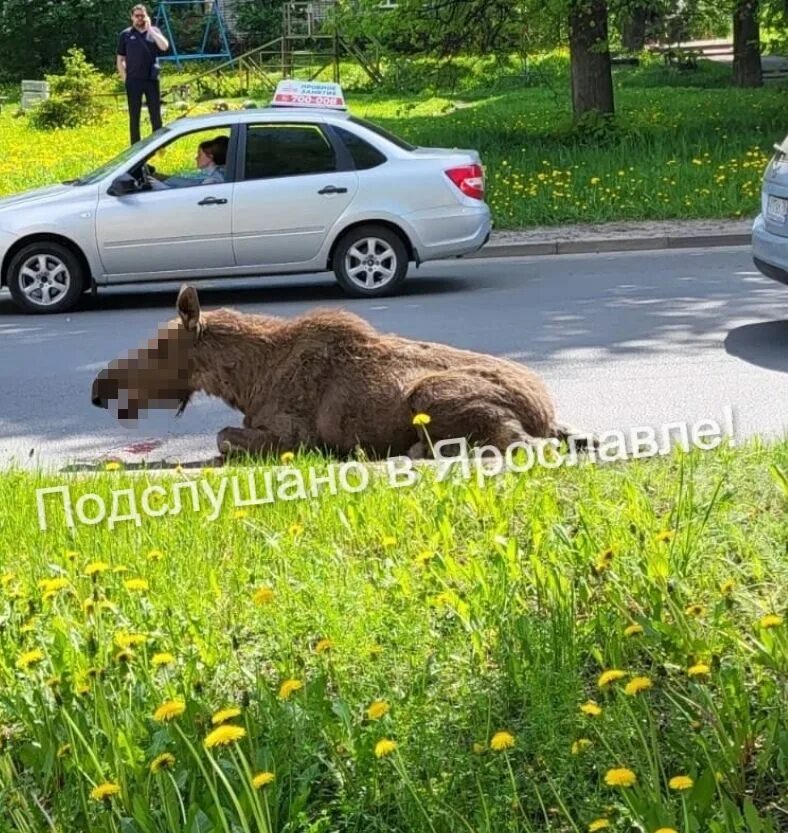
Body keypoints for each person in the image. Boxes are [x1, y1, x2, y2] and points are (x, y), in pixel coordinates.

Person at [117, 4, 170, 146]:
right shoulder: (126, 34)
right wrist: (125, 78)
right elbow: (120, 59)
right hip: (133, 81)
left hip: (151, 80)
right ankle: (135, 146)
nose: (140, 18)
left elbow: (165, 46)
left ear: (146, 16)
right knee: (134, 116)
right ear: (132, 17)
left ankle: (158, 145)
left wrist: (150, 30)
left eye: (142, 15)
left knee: (155, 114)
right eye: (137, 16)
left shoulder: (154, 32)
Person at [146, 135, 229, 189]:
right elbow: (191, 183)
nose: (196, 158)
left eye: (199, 155)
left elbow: (192, 198)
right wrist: (164, 178)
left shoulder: (213, 180)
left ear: (210, 157)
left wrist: (161, 187)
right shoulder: (217, 173)